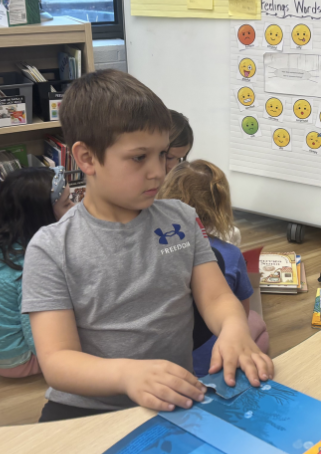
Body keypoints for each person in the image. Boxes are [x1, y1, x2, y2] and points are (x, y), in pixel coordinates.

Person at [22, 70, 272, 422]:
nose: (158, 172)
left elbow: (216, 298)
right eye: (139, 158)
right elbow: (58, 360)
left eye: (163, 155)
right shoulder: (51, 249)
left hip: (173, 400)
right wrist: (127, 375)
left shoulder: (182, 219)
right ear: (88, 158)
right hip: (85, 411)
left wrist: (233, 328)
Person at [157, 159, 269, 376]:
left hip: (165, 367)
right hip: (216, 365)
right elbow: (242, 315)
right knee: (258, 323)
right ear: (221, 204)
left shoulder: (155, 248)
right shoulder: (231, 254)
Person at [0, 166, 73, 378]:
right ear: (43, 215)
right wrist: (60, 363)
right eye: (67, 203)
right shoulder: (33, 265)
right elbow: (36, 330)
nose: (75, 208)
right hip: (13, 360)